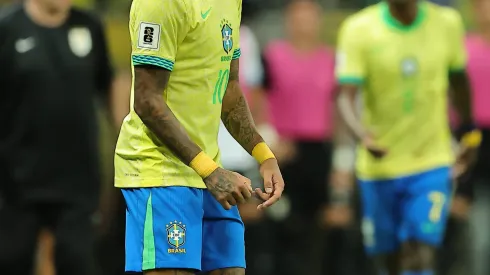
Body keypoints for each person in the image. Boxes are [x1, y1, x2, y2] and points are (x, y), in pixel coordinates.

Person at [113, 0, 285, 275]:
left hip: (208, 171)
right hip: (160, 172)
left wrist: (263, 155)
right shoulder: (160, 4)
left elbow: (229, 87)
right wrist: (210, 171)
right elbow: (147, 101)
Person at [336, 0, 479, 275]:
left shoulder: (447, 23)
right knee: (390, 259)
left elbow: (459, 81)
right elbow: (346, 94)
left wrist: (470, 135)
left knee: (419, 250)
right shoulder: (358, 29)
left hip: (431, 162)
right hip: (380, 165)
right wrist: (360, 134)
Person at [0, 0, 115, 274]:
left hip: (77, 179)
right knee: (11, 260)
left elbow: (108, 87)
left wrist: (125, 143)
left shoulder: (89, 26)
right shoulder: (7, 28)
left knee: (78, 261)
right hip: (17, 179)